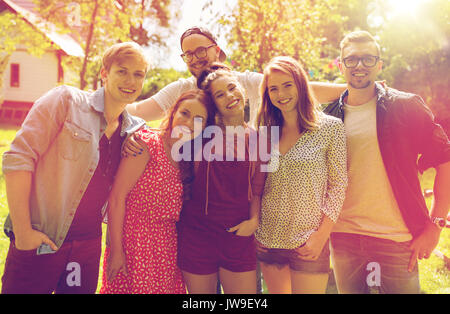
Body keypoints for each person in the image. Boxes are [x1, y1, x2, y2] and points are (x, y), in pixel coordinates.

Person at [1, 42, 149, 294]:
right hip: (41, 239)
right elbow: (18, 159)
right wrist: (24, 233)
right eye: (122, 71)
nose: (130, 81)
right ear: (104, 73)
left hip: (86, 248)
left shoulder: (133, 130)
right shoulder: (66, 101)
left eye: (138, 74)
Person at [324, 30, 450, 294]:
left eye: (368, 59)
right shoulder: (329, 116)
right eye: (352, 59)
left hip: (396, 238)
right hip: (344, 237)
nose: (360, 65)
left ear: (379, 65)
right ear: (341, 65)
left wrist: (435, 224)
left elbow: (445, 161)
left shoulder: (405, 107)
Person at [99, 90, 216, 294]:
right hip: (135, 242)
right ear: (173, 112)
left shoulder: (187, 159)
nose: (188, 123)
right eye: (185, 113)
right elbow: (117, 198)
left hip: (167, 247)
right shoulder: (147, 144)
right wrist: (117, 250)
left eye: (198, 120)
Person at [125, 26, 346, 127]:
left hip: (248, 182)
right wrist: (93, 102)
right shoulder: (183, 89)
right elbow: (138, 110)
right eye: (188, 54)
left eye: (201, 50)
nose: (195, 58)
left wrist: (356, 89)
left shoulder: (246, 82)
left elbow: (302, 88)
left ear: (217, 50)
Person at [254, 56, 347, 294]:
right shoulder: (265, 132)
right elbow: (255, 185)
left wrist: (321, 235)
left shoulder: (330, 128)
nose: (281, 93)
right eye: (273, 88)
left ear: (301, 85)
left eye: (287, 85)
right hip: (268, 239)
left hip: (308, 240)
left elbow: (338, 185)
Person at [176, 66, 267, 294]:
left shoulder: (260, 140)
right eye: (219, 94)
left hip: (237, 236)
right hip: (196, 235)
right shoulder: (200, 136)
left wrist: (254, 221)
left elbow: (257, 190)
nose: (229, 96)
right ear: (214, 104)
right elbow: (167, 136)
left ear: (243, 91)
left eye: (232, 88)